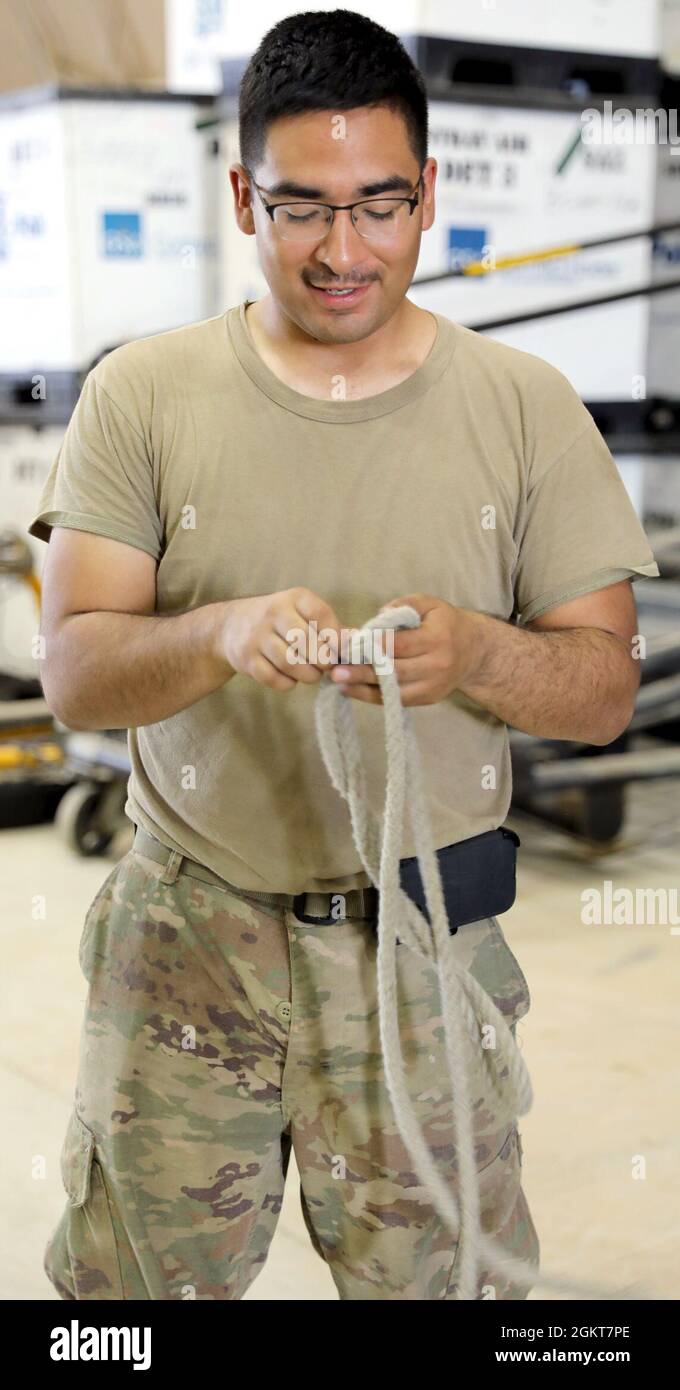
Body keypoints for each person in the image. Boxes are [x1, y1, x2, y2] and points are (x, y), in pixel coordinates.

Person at [29, 8, 658, 1301]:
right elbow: (75, 671)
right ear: (240, 191)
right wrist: (216, 633)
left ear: (429, 192)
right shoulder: (140, 394)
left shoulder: (524, 408)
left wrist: (481, 653)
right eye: (301, 207)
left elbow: (603, 690)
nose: (341, 250)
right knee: (126, 1319)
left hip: (422, 949)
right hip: (190, 934)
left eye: (379, 205)